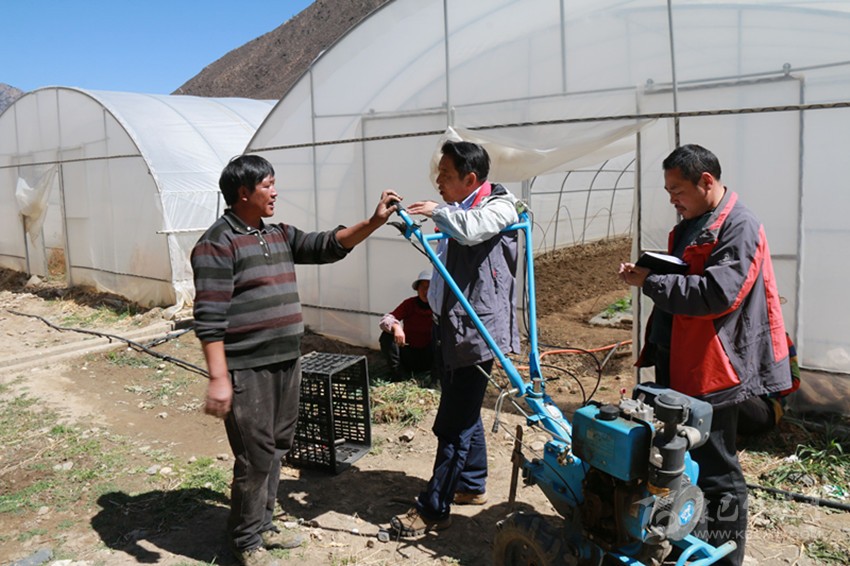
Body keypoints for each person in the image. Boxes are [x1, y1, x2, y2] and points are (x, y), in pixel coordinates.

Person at [191, 154, 399, 566]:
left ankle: (264, 524)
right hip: (248, 367)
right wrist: (219, 377)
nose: (275, 192)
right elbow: (209, 319)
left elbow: (327, 245)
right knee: (255, 455)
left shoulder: (276, 234)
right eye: (268, 185)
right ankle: (245, 541)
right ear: (243, 192)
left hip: (288, 359)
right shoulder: (217, 243)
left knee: (278, 445)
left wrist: (374, 222)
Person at [618, 144, 791, 566]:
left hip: (714, 367)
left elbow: (718, 294)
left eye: (677, 190)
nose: (672, 200)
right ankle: (691, 541)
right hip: (681, 358)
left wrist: (651, 282)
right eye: (668, 191)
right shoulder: (695, 222)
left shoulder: (740, 225)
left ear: (706, 182)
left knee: (717, 470)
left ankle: (725, 559)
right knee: (682, 458)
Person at [389, 140, 521, 537]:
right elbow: (448, 255)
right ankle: (471, 484)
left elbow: (472, 230)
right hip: (451, 326)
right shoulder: (459, 208)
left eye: (445, 175)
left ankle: (434, 509)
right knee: (464, 410)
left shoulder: (499, 206)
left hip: (476, 331)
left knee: (453, 424)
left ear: (471, 178)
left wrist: (437, 211)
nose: (438, 182)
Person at [738, 332, 801, 435]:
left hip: (767, 406)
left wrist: (761, 391)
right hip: (743, 398)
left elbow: (794, 381)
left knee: (730, 396)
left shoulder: (779, 336)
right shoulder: (734, 333)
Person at [378, 269, 434, 382]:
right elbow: (386, 320)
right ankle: (397, 374)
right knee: (386, 336)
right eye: (422, 287)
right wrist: (396, 327)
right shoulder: (410, 304)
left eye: (430, 287)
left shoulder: (439, 306)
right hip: (409, 354)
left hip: (430, 356)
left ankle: (437, 377)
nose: (426, 291)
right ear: (417, 289)